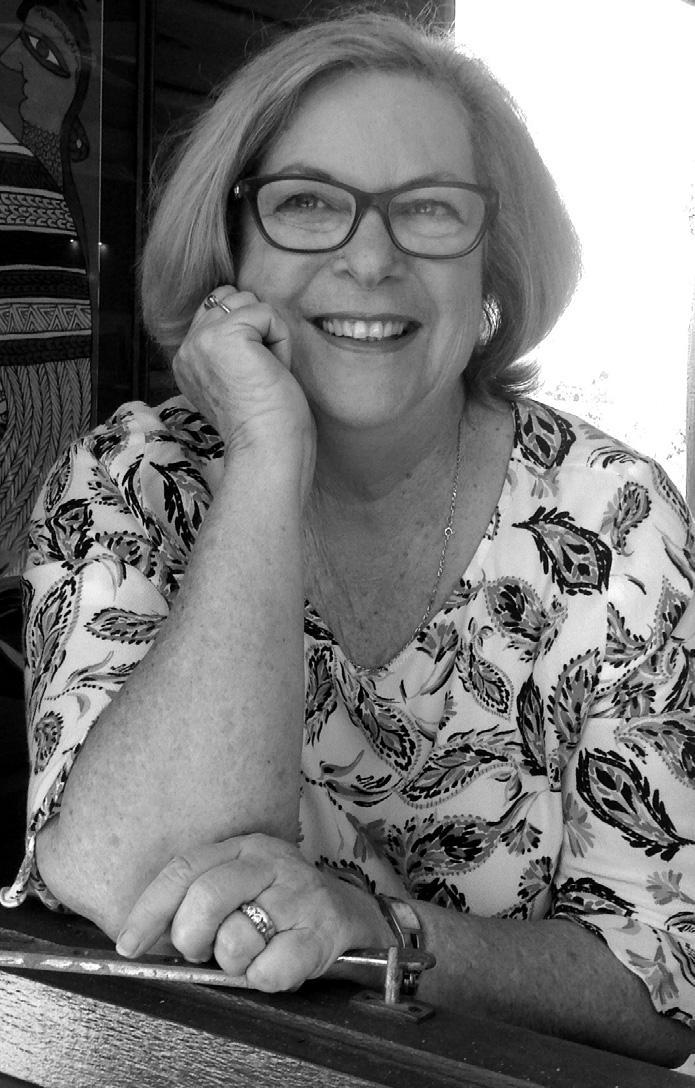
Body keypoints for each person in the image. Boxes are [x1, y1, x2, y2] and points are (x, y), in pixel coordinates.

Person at [2, 9, 694, 1068]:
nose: (370, 257)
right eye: (307, 202)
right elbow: (133, 884)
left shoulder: (616, 523)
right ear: (229, 249)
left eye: (428, 210)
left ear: (493, 267)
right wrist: (267, 458)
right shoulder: (129, 481)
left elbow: (658, 982)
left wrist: (382, 935)